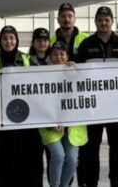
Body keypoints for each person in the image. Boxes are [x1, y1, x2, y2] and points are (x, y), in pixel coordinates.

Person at [0, 25, 43, 187]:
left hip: (21, 123)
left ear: (17, 40)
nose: (8, 41)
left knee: (19, 163)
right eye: (5, 38)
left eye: (12, 38)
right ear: (0, 41)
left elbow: (41, 85)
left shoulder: (27, 59)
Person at [77, 6, 118, 187]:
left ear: (112, 21)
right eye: (100, 19)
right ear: (95, 22)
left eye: (107, 19)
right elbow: (77, 72)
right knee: (91, 147)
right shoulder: (86, 44)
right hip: (93, 107)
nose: (103, 23)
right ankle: (91, 182)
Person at [42, 41, 89, 187]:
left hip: (73, 126)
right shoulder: (41, 75)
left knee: (73, 160)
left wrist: (74, 72)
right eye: (55, 54)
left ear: (67, 56)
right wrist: (52, 122)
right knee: (58, 156)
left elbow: (86, 88)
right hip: (50, 124)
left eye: (62, 54)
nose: (59, 57)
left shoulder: (75, 71)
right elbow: (40, 101)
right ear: (50, 57)